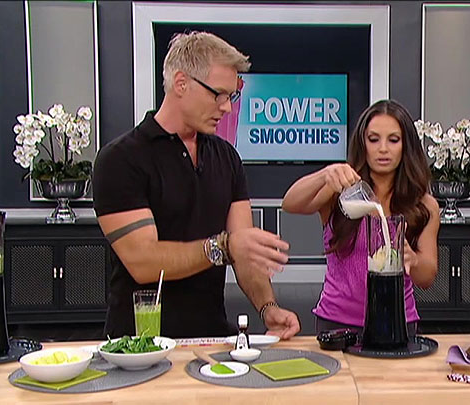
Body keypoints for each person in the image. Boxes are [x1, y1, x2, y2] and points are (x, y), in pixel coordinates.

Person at [93, 31, 300, 339]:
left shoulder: (227, 158)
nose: (227, 108)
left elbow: (243, 250)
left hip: (212, 341)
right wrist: (221, 247)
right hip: (139, 346)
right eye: (218, 94)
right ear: (181, 83)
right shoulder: (121, 159)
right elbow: (143, 262)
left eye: (231, 97)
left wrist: (267, 307)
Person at [282, 99, 440, 335]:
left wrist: (413, 260)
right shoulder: (341, 193)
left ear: (406, 145)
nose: (383, 149)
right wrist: (325, 174)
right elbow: (290, 203)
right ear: (362, 143)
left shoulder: (423, 205)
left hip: (397, 323)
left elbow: (427, 278)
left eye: (393, 140)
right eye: (373, 139)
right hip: (337, 321)